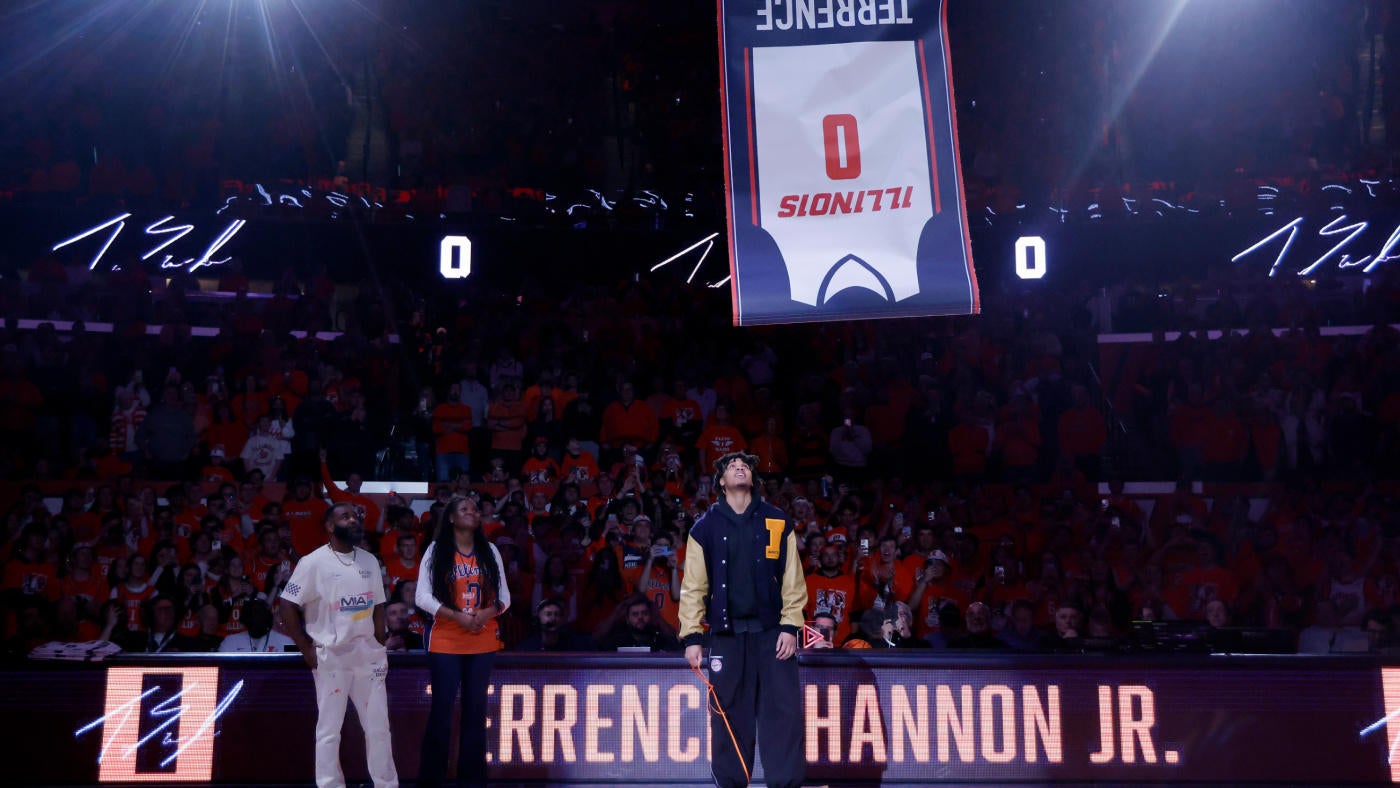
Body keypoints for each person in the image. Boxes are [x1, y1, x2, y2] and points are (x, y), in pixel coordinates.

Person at [679, 452, 807, 788]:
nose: (740, 467)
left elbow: (792, 579)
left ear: (753, 478)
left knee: (783, 714)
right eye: (731, 465)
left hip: (772, 635)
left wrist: (790, 626)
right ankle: (731, 785)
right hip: (727, 636)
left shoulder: (777, 520)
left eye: (746, 465)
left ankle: (786, 785)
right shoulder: (703, 528)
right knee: (728, 715)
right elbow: (693, 585)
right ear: (720, 481)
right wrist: (692, 636)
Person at [280, 503, 398, 788]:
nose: (354, 519)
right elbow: (286, 603)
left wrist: (380, 641)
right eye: (345, 516)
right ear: (330, 527)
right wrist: (306, 648)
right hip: (331, 656)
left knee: (379, 728)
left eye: (355, 515)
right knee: (330, 731)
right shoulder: (312, 562)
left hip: (367, 655)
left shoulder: (369, 560)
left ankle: (386, 784)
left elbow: (379, 603)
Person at [414, 495, 510, 788]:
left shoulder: (490, 550)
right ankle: (432, 781)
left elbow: (505, 597)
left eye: (475, 509)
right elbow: (422, 597)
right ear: (452, 518)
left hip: (481, 638)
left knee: (475, 711)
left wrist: (488, 612)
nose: (472, 512)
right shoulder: (436, 550)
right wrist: (456, 616)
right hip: (446, 638)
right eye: (464, 509)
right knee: (442, 711)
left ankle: (473, 780)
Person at [515, 597, 594, 652]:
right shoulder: (526, 648)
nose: (553, 618)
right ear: (539, 617)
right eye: (548, 614)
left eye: (556, 614)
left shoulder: (575, 645)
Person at [219, 598, 295, 653]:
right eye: (253, 617)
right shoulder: (230, 642)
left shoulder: (286, 642)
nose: (257, 620)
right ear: (245, 621)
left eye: (260, 616)